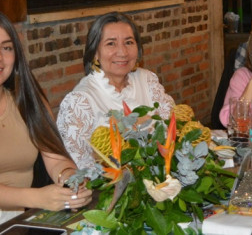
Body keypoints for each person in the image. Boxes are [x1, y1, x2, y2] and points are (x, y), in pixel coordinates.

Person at [0, 12, 92, 224]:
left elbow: (56, 158)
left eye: (6, 48)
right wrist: (37, 197)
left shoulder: (28, 99)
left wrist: (70, 179)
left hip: (16, 220)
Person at [57, 12, 175, 170]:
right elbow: (78, 167)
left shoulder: (147, 80)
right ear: (95, 54)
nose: (122, 52)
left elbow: (172, 128)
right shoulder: (80, 101)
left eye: (129, 42)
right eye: (111, 43)